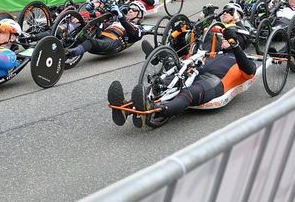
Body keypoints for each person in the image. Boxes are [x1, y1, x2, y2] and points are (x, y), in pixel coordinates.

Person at [108, 25, 255, 127]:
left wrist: (235, 45)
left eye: (226, 39)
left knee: (187, 93)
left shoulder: (242, 59)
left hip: (214, 83)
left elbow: (249, 72)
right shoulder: (215, 53)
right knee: (165, 81)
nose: (222, 40)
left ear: (238, 40)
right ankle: (124, 106)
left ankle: (158, 108)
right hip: (194, 74)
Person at [65, 1, 146, 58]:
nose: (130, 10)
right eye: (130, 8)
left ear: (140, 15)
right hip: (101, 36)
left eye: (135, 9)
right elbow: (101, 22)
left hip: (115, 42)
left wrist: (121, 16)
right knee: (83, 30)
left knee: (90, 42)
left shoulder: (139, 28)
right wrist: (91, 12)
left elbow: (134, 33)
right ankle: (64, 43)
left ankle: (69, 54)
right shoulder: (116, 21)